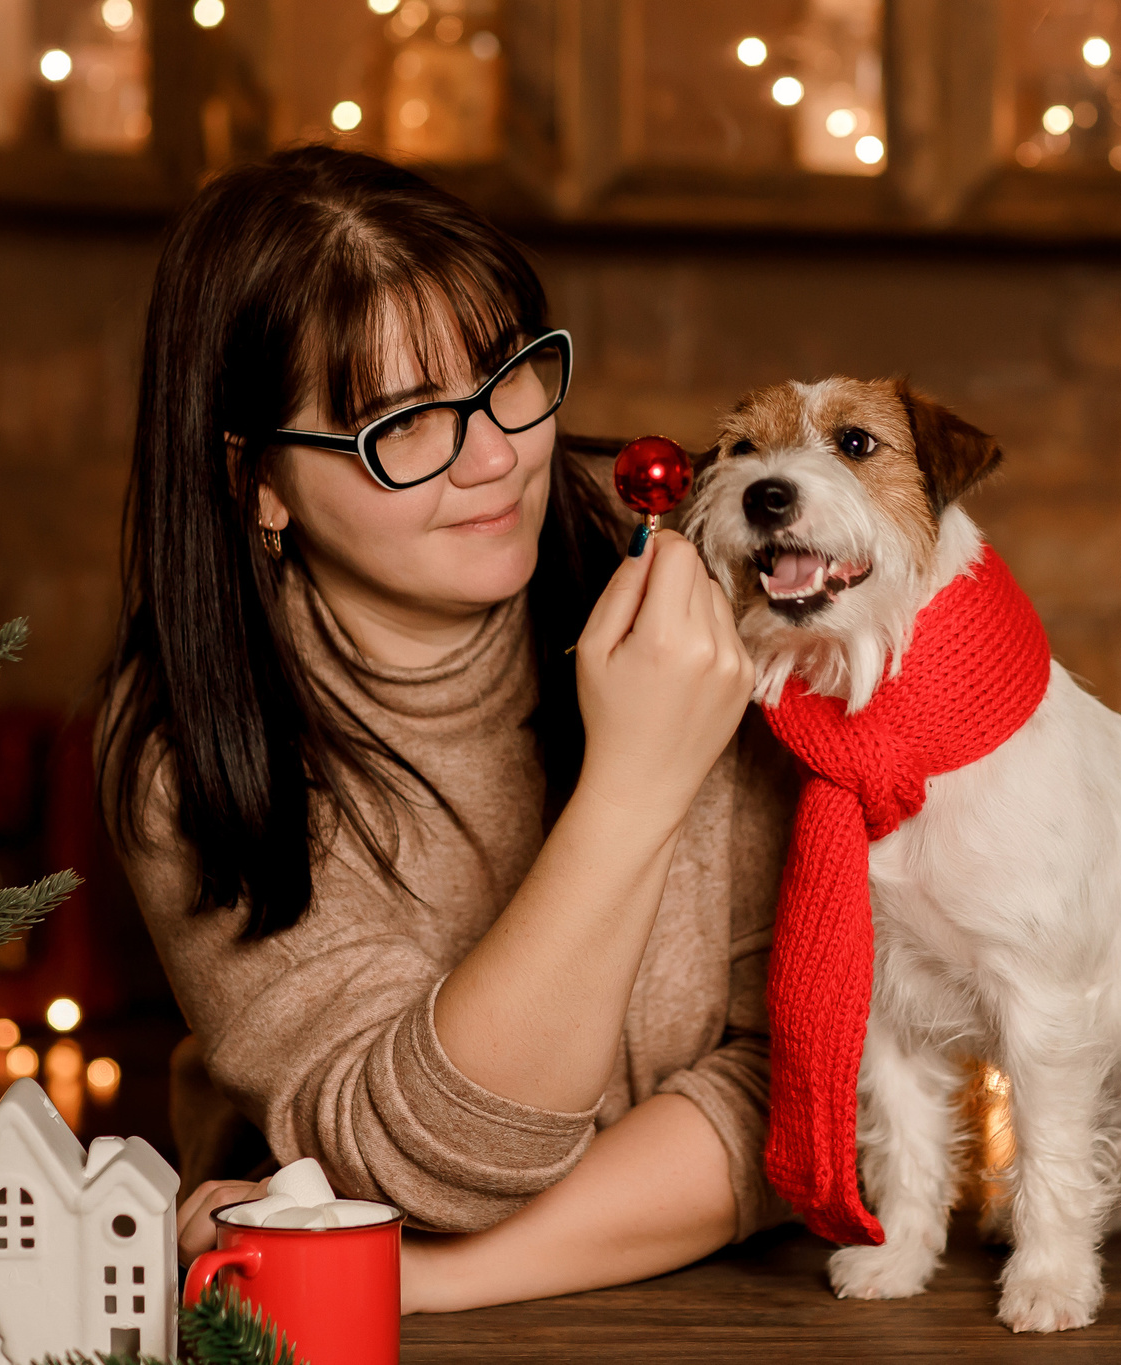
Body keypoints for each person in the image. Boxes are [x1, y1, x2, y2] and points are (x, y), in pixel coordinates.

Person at [99, 145, 797, 1313]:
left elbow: (815, 1089)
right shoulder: (195, 749)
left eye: (507, 374)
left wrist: (410, 1277)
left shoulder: (693, 591)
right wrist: (637, 782)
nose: (497, 457)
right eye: (403, 423)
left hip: (722, 1319)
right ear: (256, 480)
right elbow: (437, 1161)